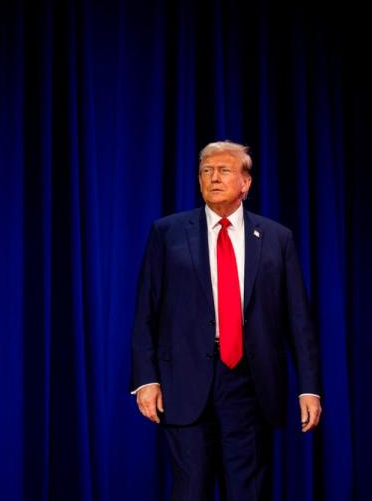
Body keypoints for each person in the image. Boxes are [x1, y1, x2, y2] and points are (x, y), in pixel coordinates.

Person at [130, 140, 322, 500]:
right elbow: (146, 311)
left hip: (250, 382)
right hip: (184, 382)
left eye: (224, 170)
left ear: (245, 184)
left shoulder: (276, 238)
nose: (213, 177)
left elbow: (298, 319)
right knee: (191, 491)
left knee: (248, 492)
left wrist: (308, 386)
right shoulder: (168, 233)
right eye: (206, 171)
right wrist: (145, 379)